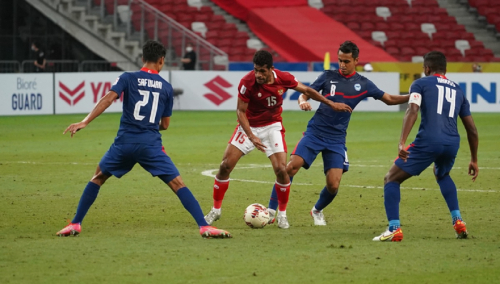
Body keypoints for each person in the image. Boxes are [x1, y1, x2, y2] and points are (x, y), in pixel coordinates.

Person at [56, 40, 231, 239]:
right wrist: (148, 125)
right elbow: (165, 125)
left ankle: (75, 223)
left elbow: (107, 98)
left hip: (124, 144)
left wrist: (85, 121)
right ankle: (203, 226)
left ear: (142, 58)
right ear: (161, 60)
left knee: (98, 177)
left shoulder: (127, 77)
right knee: (178, 184)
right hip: (150, 145)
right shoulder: (166, 87)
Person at [266, 41, 409, 227]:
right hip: (315, 132)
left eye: (347, 61)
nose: (342, 64)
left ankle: (316, 210)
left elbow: (389, 99)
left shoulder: (364, 83)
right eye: (340, 60)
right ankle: (270, 210)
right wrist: (302, 101)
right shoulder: (327, 76)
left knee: (333, 185)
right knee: (291, 168)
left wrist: (412, 96)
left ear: (356, 61)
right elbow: (305, 93)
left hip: (336, 139)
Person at [204, 50, 353, 229]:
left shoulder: (283, 78)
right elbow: (240, 112)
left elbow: (306, 90)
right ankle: (216, 210)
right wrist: (251, 136)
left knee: (282, 170)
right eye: (256, 70)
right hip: (248, 126)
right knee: (225, 166)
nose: (258, 75)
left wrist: (331, 103)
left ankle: (282, 214)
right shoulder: (247, 82)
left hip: (272, 126)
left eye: (262, 71)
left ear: (271, 69)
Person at [373, 51, 479, 242]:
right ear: (444, 69)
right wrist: (474, 159)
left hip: (429, 141)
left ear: (427, 68)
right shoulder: (458, 89)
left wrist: (402, 142)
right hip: (452, 142)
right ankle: (458, 221)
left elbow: (412, 109)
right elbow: (472, 129)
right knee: (442, 174)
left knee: (391, 179)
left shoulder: (420, 83)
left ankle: (394, 228)